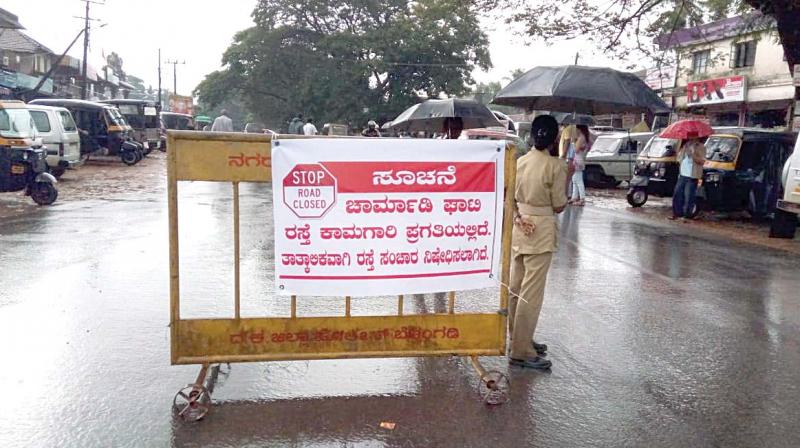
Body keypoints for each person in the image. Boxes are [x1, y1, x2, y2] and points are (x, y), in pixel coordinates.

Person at [508, 114, 567, 370]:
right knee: (531, 292)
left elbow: (509, 196)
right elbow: (559, 205)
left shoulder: (519, 161)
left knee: (516, 287)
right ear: (555, 138)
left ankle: (518, 338)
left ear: (532, 136)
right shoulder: (556, 166)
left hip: (520, 225)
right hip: (541, 231)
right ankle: (521, 350)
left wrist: (520, 216)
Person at [671, 134, 706, 220]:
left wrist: (693, 154)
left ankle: (687, 215)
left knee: (689, 196)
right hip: (683, 174)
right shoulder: (685, 145)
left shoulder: (701, 147)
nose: (690, 137)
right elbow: (679, 157)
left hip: (692, 175)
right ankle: (677, 213)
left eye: (692, 135)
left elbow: (702, 161)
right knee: (677, 194)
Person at [569, 124, 590, 206]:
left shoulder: (581, 138)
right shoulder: (583, 137)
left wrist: (574, 143)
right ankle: (574, 197)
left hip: (578, 159)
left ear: (580, 129)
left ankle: (582, 198)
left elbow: (576, 149)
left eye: (577, 129)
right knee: (575, 179)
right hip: (579, 159)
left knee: (578, 180)